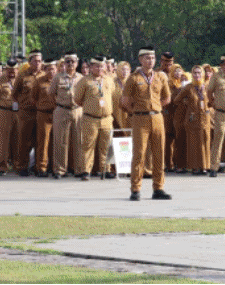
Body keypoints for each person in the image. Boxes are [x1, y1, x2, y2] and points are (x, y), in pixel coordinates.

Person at [121, 46, 171, 201]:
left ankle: (158, 188)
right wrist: (136, 111)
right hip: (139, 118)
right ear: (141, 59)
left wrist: (155, 107)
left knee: (159, 153)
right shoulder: (133, 78)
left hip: (157, 117)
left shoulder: (160, 77)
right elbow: (125, 101)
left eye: (153, 58)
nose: (151, 61)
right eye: (147, 58)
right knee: (139, 154)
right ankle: (135, 189)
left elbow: (166, 98)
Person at [74, 56, 116, 179]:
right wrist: (90, 106)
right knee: (88, 145)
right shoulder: (84, 81)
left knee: (107, 146)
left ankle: (105, 169)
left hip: (106, 118)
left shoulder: (108, 80)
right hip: (90, 118)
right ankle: (86, 170)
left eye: (101, 66)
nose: (99, 68)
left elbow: (112, 94)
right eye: (96, 66)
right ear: (91, 67)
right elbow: (77, 99)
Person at [50, 52, 83, 179]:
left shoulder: (81, 77)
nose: (70, 64)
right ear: (64, 63)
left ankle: (79, 169)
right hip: (62, 110)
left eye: (72, 61)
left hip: (77, 110)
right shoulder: (58, 77)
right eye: (67, 61)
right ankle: (59, 169)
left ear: (77, 63)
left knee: (79, 141)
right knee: (60, 141)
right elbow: (51, 93)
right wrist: (59, 105)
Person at [12, 50, 42, 176]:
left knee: (40, 141)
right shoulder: (22, 76)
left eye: (40, 61)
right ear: (29, 62)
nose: (38, 63)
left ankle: (39, 167)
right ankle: (22, 166)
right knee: (23, 140)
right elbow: (14, 94)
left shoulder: (44, 75)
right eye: (35, 61)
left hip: (40, 112)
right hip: (25, 112)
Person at [177, 65, 210, 175]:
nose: (197, 75)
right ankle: (195, 167)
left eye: (199, 73)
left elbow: (210, 100)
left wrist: (208, 108)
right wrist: (187, 103)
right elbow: (176, 100)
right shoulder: (188, 87)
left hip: (204, 118)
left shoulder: (205, 86)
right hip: (192, 119)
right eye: (195, 73)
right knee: (193, 143)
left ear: (202, 74)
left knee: (204, 141)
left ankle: (204, 166)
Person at [0, 59, 20, 174]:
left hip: (18, 112)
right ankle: (2, 166)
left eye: (14, 70)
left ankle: (18, 165)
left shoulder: (20, 80)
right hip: (3, 112)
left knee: (18, 139)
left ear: (18, 70)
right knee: (2, 140)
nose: (11, 73)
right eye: (9, 70)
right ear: (5, 70)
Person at [31, 59, 58, 177]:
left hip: (57, 113)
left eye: (53, 69)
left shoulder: (59, 80)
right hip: (43, 114)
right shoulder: (39, 81)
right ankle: (41, 167)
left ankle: (53, 166)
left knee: (55, 141)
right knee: (43, 141)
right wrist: (42, 106)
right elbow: (33, 97)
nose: (51, 71)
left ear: (56, 69)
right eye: (48, 69)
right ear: (44, 70)